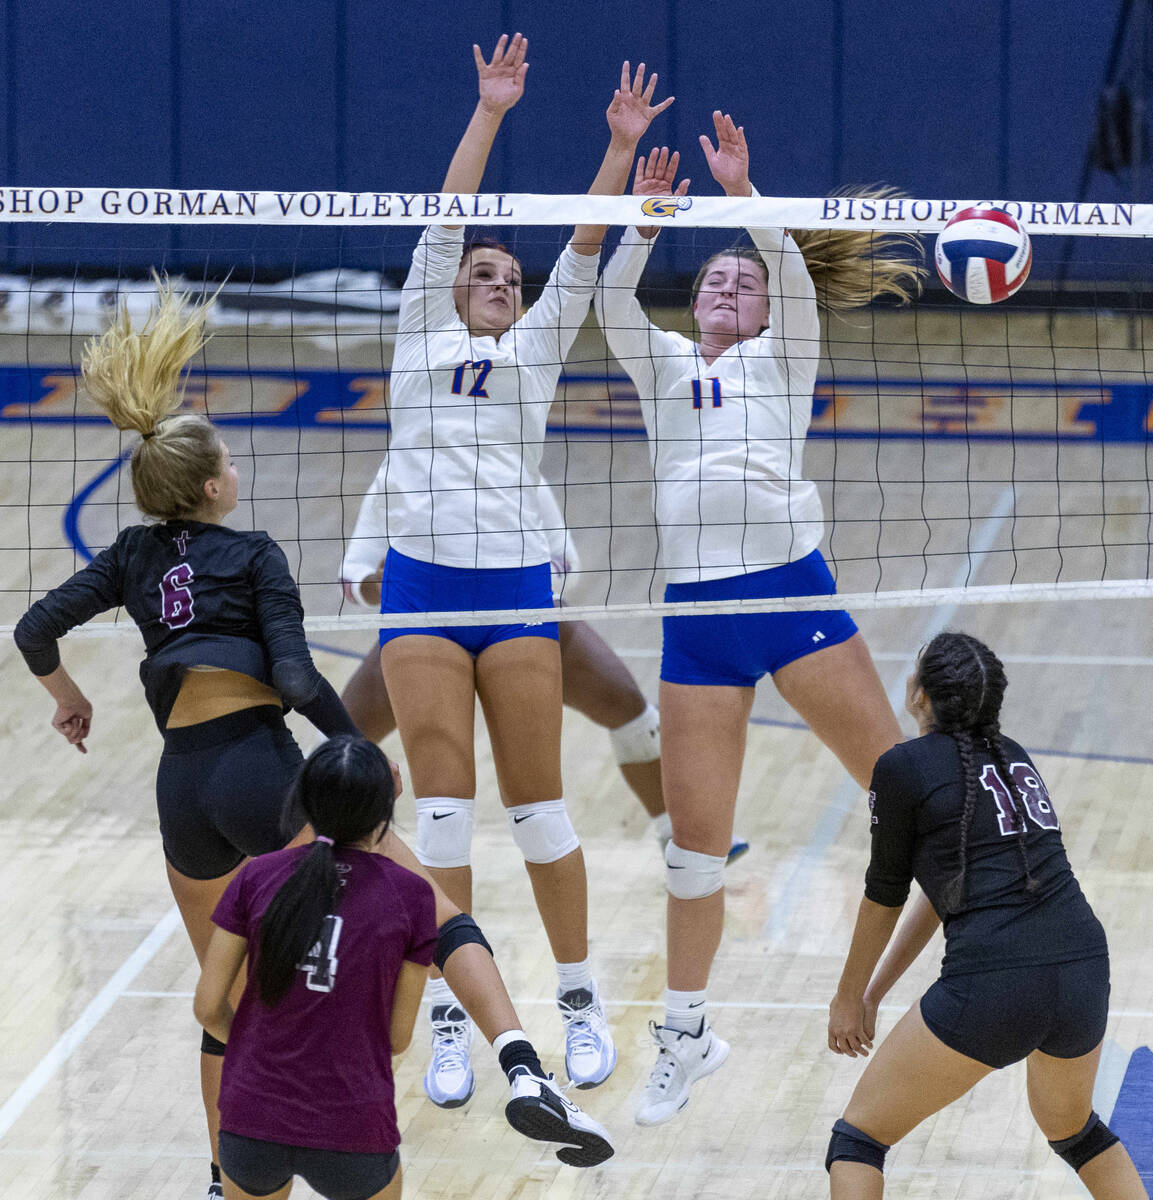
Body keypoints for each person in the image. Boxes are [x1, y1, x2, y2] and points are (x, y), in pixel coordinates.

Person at [12, 279, 612, 1198]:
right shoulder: (253, 553)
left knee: (227, 1009)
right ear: (215, 486)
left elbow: (33, 631)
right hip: (262, 771)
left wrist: (69, 701)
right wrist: (357, 754)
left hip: (183, 791)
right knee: (436, 908)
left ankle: (225, 1174)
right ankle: (524, 1065)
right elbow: (295, 680)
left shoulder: (130, 555)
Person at [594, 117, 924, 1125]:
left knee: (911, 789)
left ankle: (986, 924)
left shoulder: (785, 360)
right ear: (692, 303)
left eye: (746, 283)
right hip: (700, 620)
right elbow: (610, 298)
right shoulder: (660, 367)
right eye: (715, 283)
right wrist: (646, 221)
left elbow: (778, 252)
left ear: (771, 308)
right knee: (695, 851)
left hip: (793, 598)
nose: (730, 288)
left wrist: (743, 191)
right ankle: (686, 1037)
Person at [369, 34, 674, 1107]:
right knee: (443, 819)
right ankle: (455, 1022)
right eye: (482, 275)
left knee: (540, 814)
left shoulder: (536, 349)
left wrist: (615, 145)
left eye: (510, 277)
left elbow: (585, 246)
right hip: (419, 593)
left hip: (512, 595)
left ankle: (580, 1005)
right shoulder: (414, 330)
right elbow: (449, 214)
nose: (498, 283)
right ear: (450, 290)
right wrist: (490, 113)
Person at [194, 736, 611, 1200]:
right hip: (350, 1126)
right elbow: (396, 1038)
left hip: (253, 1119)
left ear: (302, 801)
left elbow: (209, 1006)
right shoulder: (409, 897)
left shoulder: (254, 876)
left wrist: (259, 1055)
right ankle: (523, 1067)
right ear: (384, 816)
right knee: (455, 921)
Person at [824, 632, 1145, 1199]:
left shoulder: (901, 767)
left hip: (996, 981)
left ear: (922, 695)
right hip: (1082, 967)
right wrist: (876, 991)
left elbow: (884, 895)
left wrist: (849, 997)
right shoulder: (1012, 756)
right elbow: (940, 893)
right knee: (1078, 1132)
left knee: (858, 1142)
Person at [340, 480, 750, 861]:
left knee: (627, 707)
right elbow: (351, 576)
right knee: (338, 737)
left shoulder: (516, 464)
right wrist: (385, 584)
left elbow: (565, 561)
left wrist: (506, 584)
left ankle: (679, 835)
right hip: (429, 627)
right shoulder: (399, 471)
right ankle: (317, 846)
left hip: (521, 621)